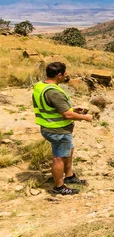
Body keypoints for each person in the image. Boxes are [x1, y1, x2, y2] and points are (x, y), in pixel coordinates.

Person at [33, 62, 92, 195]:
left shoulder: (40, 85)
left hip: (50, 126)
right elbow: (66, 114)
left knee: (69, 149)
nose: (66, 75)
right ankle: (59, 187)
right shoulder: (54, 92)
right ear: (59, 75)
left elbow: (54, 107)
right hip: (57, 130)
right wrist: (85, 117)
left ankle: (69, 176)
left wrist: (72, 109)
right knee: (59, 158)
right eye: (64, 73)